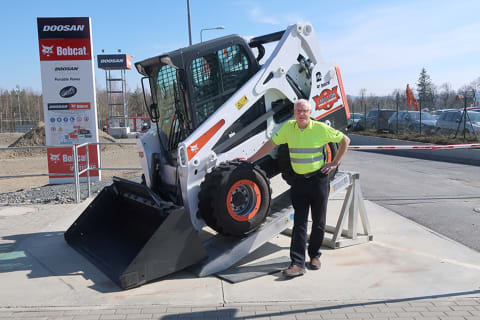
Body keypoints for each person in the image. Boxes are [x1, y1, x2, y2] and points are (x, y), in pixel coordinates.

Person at [244, 99, 350, 277]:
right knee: (299, 223)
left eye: (305, 111)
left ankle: (314, 255)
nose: (302, 114)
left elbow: (345, 140)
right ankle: (297, 263)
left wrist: (334, 163)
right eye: (298, 111)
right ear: (294, 113)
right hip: (299, 182)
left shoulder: (320, 129)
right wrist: (250, 160)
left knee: (318, 222)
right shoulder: (288, 128)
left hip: (318, 180)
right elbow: (271, 144)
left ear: (310, 112)